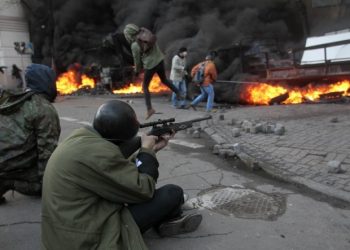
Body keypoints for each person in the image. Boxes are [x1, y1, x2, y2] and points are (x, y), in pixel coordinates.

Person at [41, 100, 202, 250]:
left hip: (65, 231)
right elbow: (144, 190)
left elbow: (115, 168)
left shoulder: (82, 138)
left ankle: (167, 218)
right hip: (86, 239)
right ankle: (168, 219)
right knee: (172, 193)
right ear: (120, 138)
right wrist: (146, 152)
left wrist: (151, 148)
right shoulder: (99, 155)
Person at [0, 64, 61, 204]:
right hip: (15, 167)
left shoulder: (9, 99)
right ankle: (9, 182)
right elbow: (47, 152)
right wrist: (49, 185)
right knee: (67, 172)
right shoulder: (44, 108)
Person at [123, 24, 183, 119]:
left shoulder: (134, 45)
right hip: (160, 60)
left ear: (129, 35)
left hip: (151, 65)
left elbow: (137, 60)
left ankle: (150, 109)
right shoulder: (145, 33)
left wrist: (137, 70)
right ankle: (178, 92)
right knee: (164, 80)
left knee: (145, 86)